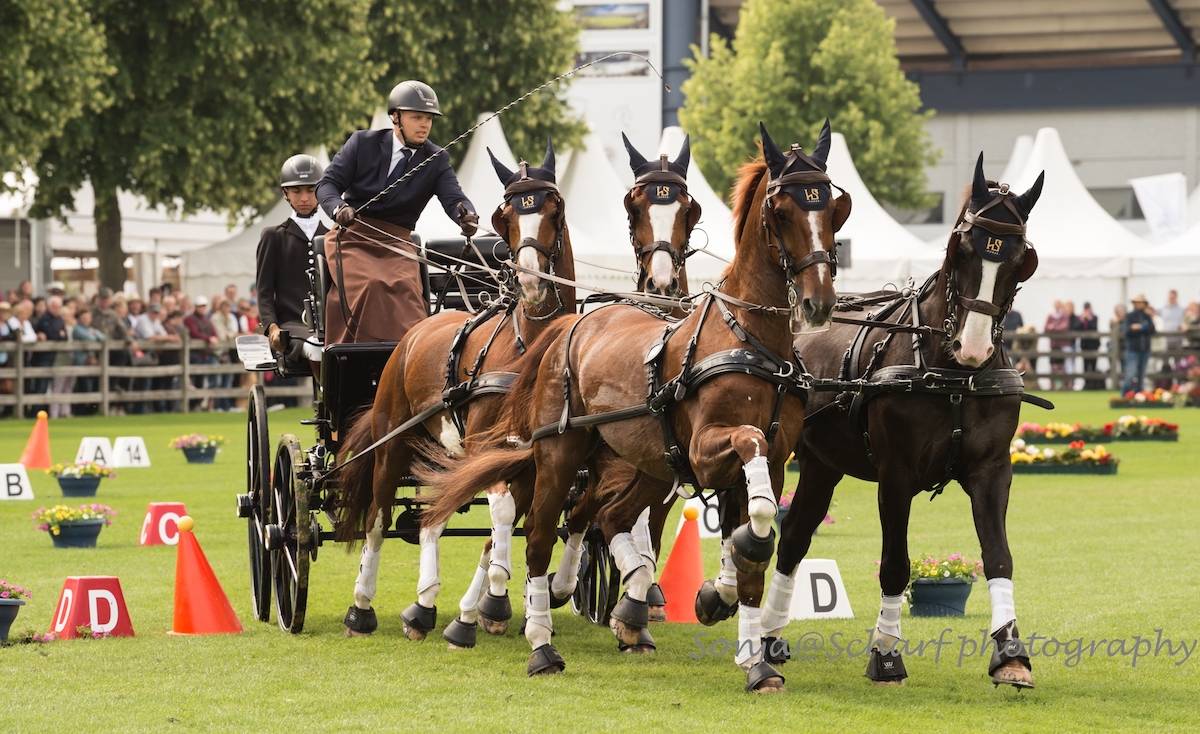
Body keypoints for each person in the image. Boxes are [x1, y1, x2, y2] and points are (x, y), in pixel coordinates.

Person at [317, 80, 479, 343]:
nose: (424, 125)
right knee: (372, 285)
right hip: (353, 238)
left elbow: (455, 199)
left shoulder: (437, 159)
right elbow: (327, 185)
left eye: (429, 119)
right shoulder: (362, 143)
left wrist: (466, 215)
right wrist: (339, 208)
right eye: (417, 117)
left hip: (397, 244)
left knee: (406, 290)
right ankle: (361, 354)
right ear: (396, 117)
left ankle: (411, 355)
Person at [256, 153, 328, 374]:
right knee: (316, 347)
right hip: (292, 326)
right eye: (296, 191)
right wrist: (272, 327)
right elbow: (264, 292)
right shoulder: (273, 236)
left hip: (332, 325)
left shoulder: (333, 237)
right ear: (285, 193)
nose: (304, 198)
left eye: (311, 190)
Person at [184, 296, 219, 410]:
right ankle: (194, 404)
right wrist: (208, 338)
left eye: (204, 306)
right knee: (196, 380)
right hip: (195, 355)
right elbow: (194, 333)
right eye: (200, 306)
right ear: (195, 307)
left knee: (214, 379)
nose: (202, 308)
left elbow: (214, 333)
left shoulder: (207, 320)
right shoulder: (189, 319)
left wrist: (212, 338)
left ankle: (207, 403)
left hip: (207, 354)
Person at [1121, 294, 1156, 394]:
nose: (1139, 304)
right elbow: (1127, 331)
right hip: (1133, 350)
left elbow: (1152, 330)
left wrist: (1139, 327)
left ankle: (1138, 396)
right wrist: (1141, 328)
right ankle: (1124, 395)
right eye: (1137, 302)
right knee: (1130, 374)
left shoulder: (1147, 316)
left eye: (1141, 303)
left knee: (1141, 375)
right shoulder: (1129, 316)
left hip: (1145, 350)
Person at [1078, 301, 1103, 389]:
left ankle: (1093, 384)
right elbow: (1077, 328)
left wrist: (1089, 319)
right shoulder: (1081, 318)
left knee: (1093, 364)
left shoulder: (1094, 317)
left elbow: (1094, 327)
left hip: (1093, 345)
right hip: (1084, 345)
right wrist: (1082, 320)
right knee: (1085, 365)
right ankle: (1086, 384)